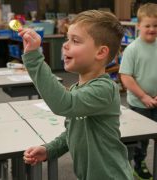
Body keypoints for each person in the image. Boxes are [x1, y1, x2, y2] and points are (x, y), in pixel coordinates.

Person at [19, 10, 133, 180]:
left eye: (75, 40)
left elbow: (63, 104)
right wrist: (50, 149)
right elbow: (73, 132)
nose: (65, 45)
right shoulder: (77, 89)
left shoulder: (105, 89)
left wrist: (34, 59)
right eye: (67, 39)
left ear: (100, 52)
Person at [119, 3, 157, 180]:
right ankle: (140, 165)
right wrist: (143, 96)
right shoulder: (132, 49)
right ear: (139, 26)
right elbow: (125, 76)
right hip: (139, 103)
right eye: (147, 25)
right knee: (141, 139)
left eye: (156, 25)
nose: (152, 29)